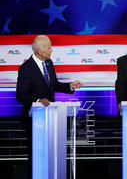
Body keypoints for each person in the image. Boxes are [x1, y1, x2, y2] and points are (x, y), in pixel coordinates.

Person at [16, 35, 83, 177]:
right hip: (34, 119)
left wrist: (70, 86)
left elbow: (54, 85)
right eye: (49, 48)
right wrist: (38, 100)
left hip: (51, 116)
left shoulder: (48, 63)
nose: (52, 50)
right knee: (36, 153)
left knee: (51, 152)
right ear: (39, 50)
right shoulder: (26, 68)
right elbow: (20, 95)